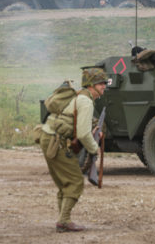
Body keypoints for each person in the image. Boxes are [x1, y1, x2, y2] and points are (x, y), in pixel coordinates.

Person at [39, 68, 107, 233]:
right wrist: (94, 148)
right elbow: (83, 134)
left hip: (48, 138)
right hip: (57, 142)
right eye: (101, 83)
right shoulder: (86, 101)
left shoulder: (79, 96)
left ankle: (63, 219)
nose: (104, 86)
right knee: (75, 181)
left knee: (65, 182)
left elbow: (76, 121)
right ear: (91, 85)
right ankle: (64, 221)